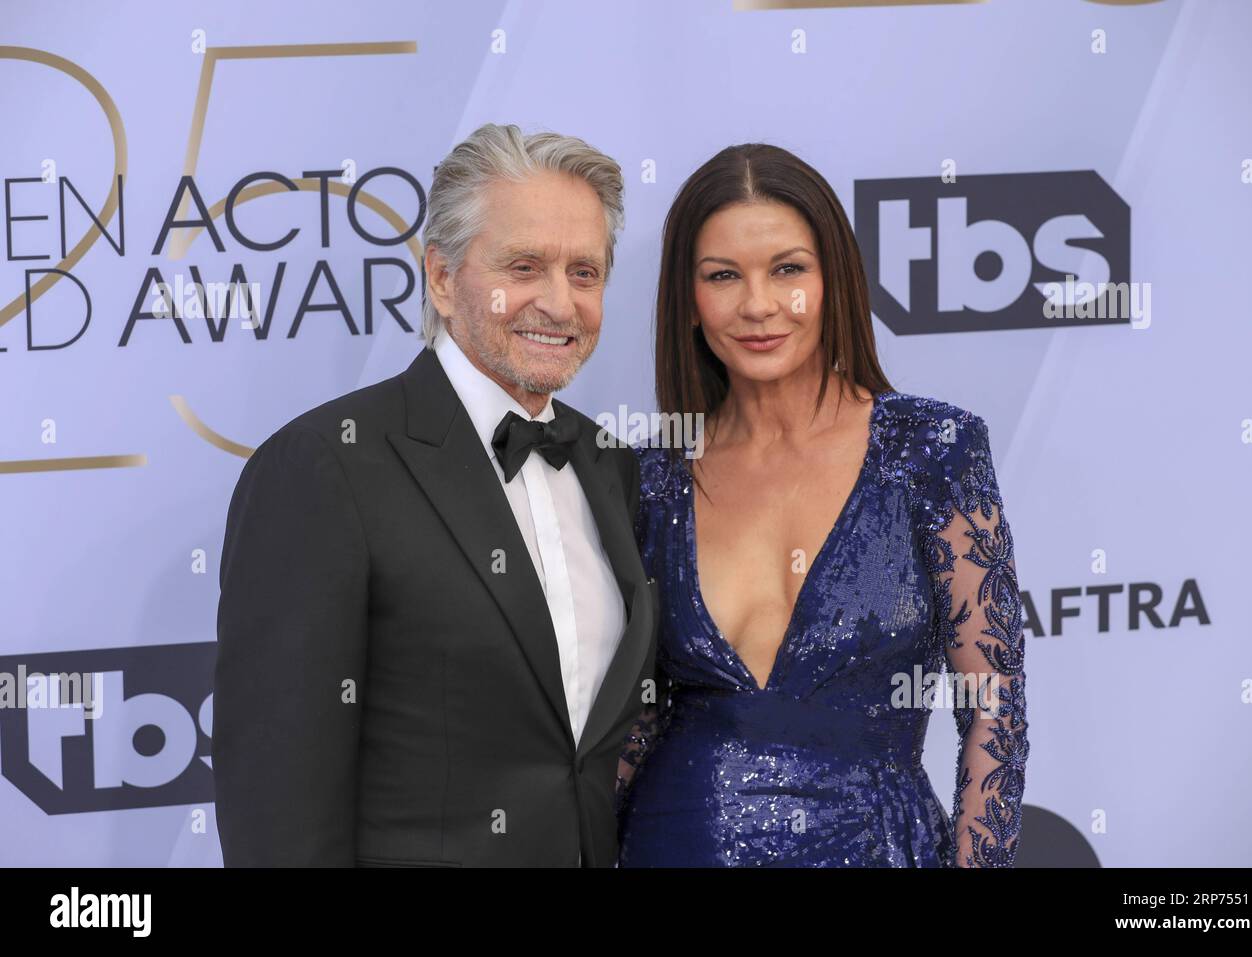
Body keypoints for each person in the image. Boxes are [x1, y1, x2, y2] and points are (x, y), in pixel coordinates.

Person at [214, 123, 656, 867]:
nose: (559, 302)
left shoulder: (608, 463)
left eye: (585, 273)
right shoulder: (325, 467)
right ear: (442, 278)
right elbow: (278, 808)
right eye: (524, 265)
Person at [615, 143, 1029, 867]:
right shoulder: (651, 478)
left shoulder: (933, 449)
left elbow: (993, 708)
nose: (758, 305)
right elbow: (638, 721)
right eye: (722, 276)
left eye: (788, 269)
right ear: (688, 300)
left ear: (834, 278)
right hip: (674, 843)